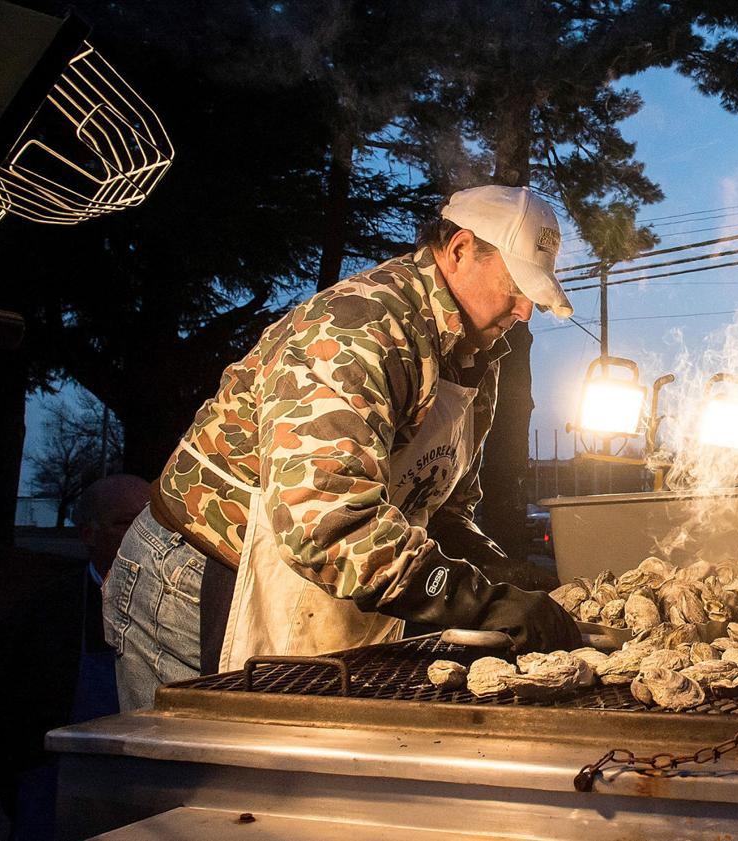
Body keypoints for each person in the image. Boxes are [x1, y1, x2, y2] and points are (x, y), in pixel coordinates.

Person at [104, 185, 582, 711]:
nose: (525, 310)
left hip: (321, 585)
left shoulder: (475, 360)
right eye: (515, 286)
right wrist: (480, 602)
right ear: (460, 249)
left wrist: (491, 566)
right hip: (204, 575)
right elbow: (326, 525)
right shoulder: (358, 330)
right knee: (202, 756)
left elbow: (436, 505)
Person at [72, 474, 150, 720]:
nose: (148, 535)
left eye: (152, 521)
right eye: (126, 523)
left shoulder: (186, 603)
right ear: (89, 534)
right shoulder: (47, 613)